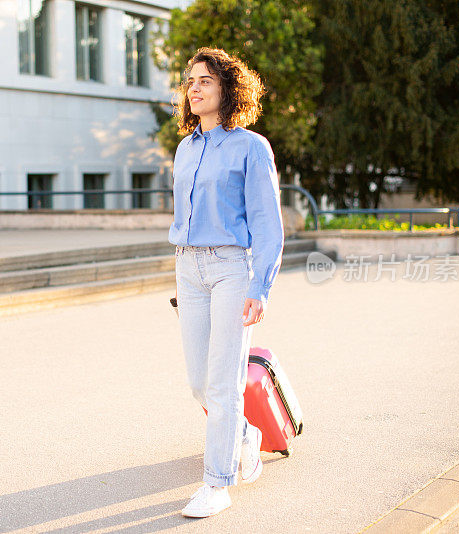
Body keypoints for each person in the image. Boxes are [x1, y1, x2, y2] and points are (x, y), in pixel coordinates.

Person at [168, 47, 285, 518]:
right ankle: (246, 436)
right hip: (188, 267)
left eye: (205, 81)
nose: (194, 88)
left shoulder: (251, 148)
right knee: (200, 383)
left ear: (227, 89)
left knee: (222, 384)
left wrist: (261, 287)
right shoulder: (185, 147)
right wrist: (183, 268)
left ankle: (217, 483)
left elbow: (267, 223)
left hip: (231, 269)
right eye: (190, 81)